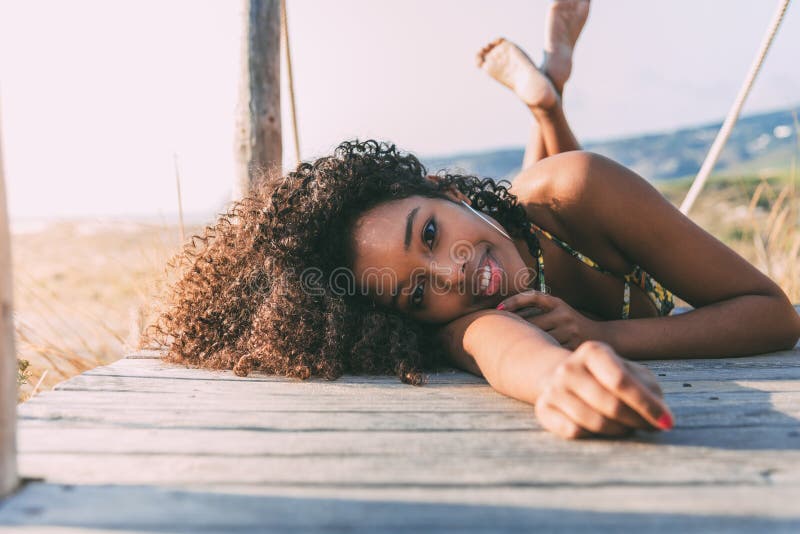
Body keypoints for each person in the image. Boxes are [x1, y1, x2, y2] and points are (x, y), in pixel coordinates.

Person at [151, 0, 800, 439]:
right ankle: (546, 98)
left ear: (442, 188)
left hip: (562, 211)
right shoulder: (447, 311)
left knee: (542, 191)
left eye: (428, 233)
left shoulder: (583, 187)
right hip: (512, 220)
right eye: (415, 288)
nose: (451, 274)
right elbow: (499, 349)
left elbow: (772, 312)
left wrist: (606, 334)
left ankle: (547, 103)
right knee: (503, 232)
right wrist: (555, 376)